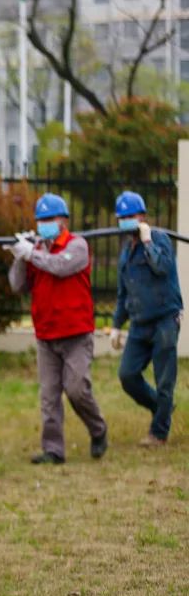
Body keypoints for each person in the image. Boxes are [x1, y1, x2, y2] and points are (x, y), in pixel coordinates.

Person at [7, 193, 107, 465]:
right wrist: (20, 256)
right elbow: (17, 285)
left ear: (63, 221)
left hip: (76, 333)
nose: (45, 224)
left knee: (77, 389)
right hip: (46, 334)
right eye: (41, 220)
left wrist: (32, 254)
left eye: (50, 219)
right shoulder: (37, 250)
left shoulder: (77, 246)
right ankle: (53, 450)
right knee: (49, 396)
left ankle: (98, 429)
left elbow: (60, 267)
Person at [110, 191, 182, 447]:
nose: (126, 220)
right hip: (140, 324)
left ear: (142, 216)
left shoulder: (160, 239)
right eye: (122, 217)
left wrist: (148, 241)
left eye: (131, 216)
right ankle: (161, 408)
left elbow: (162, 267)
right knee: (127, 375)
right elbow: (123, 293)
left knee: (164, 379)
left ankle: (158, 432)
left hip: (164, 320)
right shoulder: (125, 253)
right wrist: (117, 326)